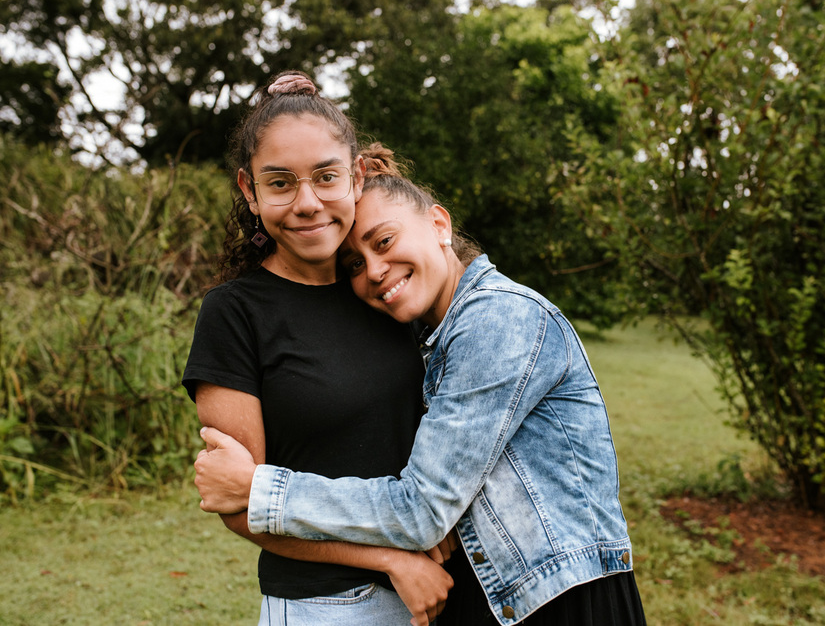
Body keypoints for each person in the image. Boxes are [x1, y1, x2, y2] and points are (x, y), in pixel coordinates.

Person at [194, 146, 648, 625]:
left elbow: (422, 510)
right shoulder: (428, 337)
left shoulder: (498, 320)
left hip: (560, 604)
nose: (373, 270)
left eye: (384, 241)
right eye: (353, 264)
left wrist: (258, 490)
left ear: (438, 225)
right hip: (492, 601)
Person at [182, 72, 453, 626]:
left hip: (451, 590)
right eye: (280, 183)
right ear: (249, 191)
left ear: (354, 177)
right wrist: (391, 560)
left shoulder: (388, 288)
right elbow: (241, 502)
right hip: (329, 607)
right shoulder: (234, 314)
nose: (308, 203)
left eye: (325, 177)